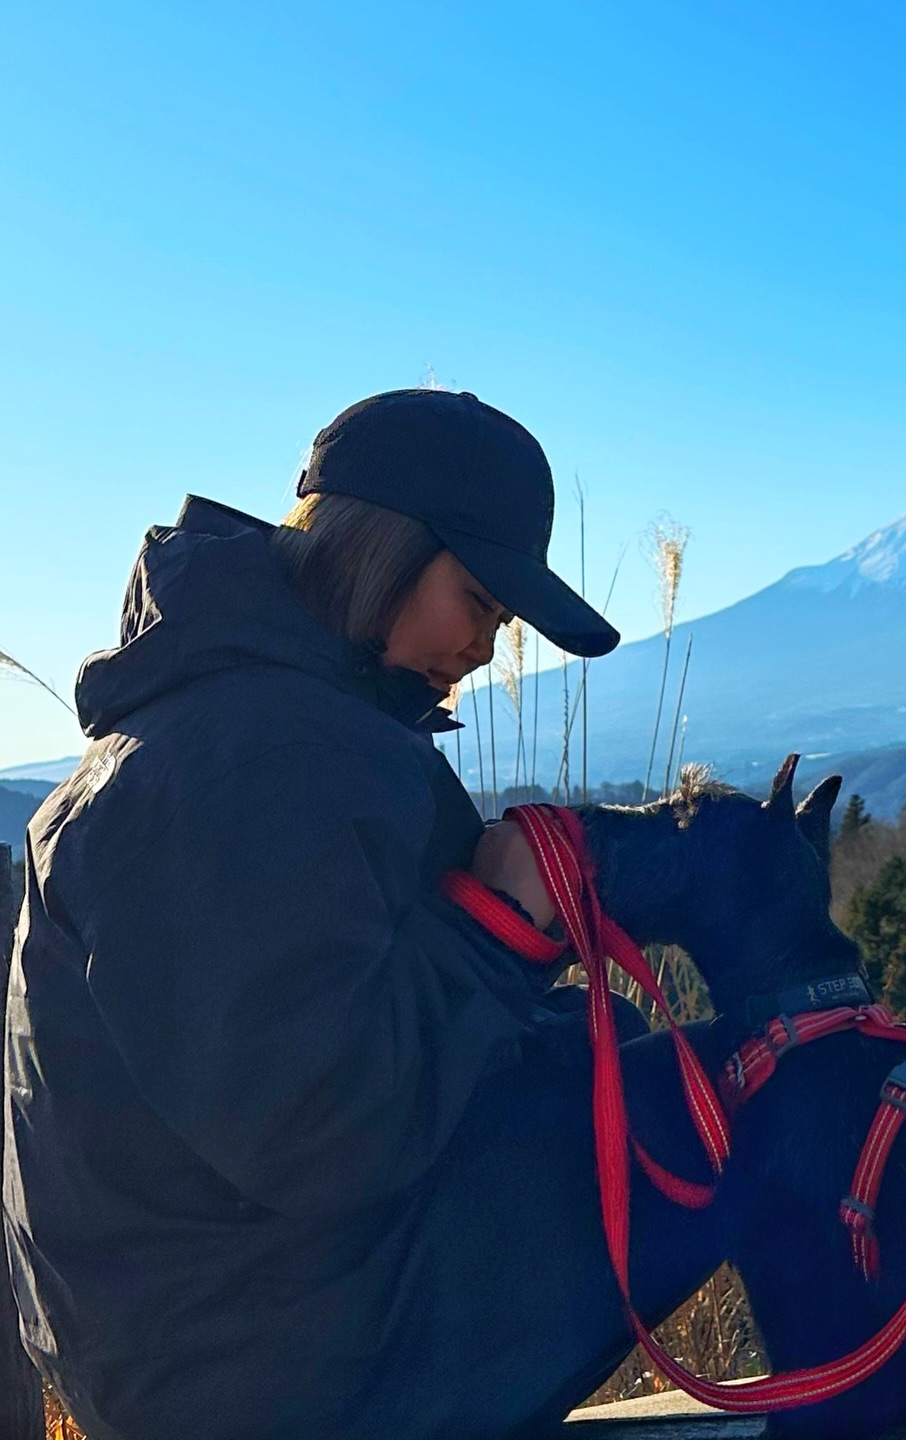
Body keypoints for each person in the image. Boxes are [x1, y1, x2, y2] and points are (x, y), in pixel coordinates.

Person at [2, 390, 725, 1439]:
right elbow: (323, 1130)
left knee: (668, 1082)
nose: (484, 644)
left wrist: (540, 1010)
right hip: (267, 1375)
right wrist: (499, 926)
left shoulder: (250, 720)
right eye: (477, 598)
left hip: (214, 1327)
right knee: (755, 1099)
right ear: (379, 551)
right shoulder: (252, 758)